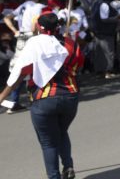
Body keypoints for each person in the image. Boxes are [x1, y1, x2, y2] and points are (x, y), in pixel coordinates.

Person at [0, 12, 84, 179]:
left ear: (39, 26)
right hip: (70, 96)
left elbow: (20, 72)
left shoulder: (35, 43)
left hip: (44, 98)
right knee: (61, 132)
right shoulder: (69, 44)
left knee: (48, 142)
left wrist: (3, 96)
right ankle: (68, 166)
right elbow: (78, 65)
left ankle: (54, 176)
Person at [3, 0, 46, 113]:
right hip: (34, 37)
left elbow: (7, 18)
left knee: (19, 70)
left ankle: (14, 101)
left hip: (22, 37)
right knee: (37, 68)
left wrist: (15, 31)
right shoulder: (40, 7)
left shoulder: (23, 6)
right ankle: (35, 97)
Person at [90, 0, 119, 79]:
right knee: (108, 52)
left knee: (99, 52)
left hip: (97, 32)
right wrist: (116, 18)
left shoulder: (95, 4)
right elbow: (104, 19)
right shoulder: (104, 5)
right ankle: (108, 71)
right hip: (105, 32)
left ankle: (99, 71)